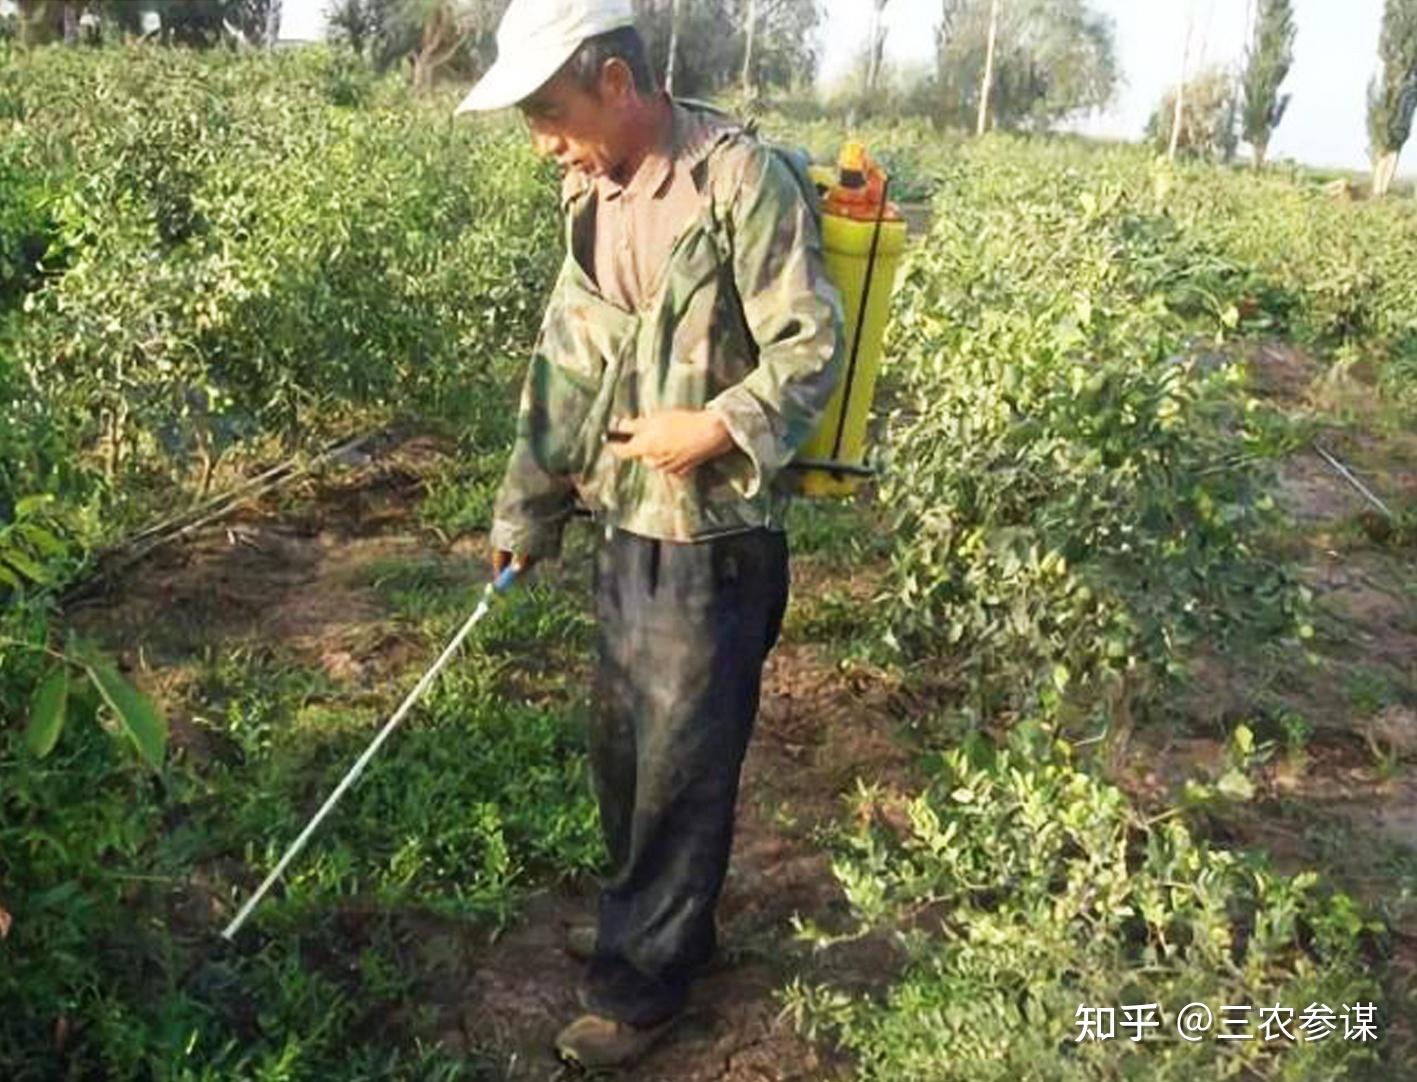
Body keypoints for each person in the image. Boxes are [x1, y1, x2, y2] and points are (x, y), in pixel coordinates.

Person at [455, 0, 844, 1069]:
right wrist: (526, 512)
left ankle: (641, 988)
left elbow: (811, 343)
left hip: (714, 537)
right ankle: (669, 932)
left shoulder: (740, 181)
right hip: (626, 520)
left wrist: (716, 423)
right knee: (625, 755)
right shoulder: (591, 193)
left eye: (550, 111)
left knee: (680, 769)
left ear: (615, 83)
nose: (543, 142)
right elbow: (565, 364)